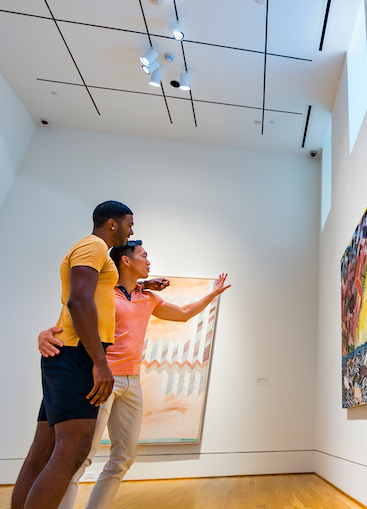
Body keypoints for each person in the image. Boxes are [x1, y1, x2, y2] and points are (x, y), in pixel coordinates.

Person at [38, 240, 230, 509]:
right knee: (81, 456)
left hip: (132, 382)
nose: (148, 261)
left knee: (124, 457)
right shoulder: (104, 293)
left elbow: (183, 314)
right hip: (103, 380)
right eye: (144, 255)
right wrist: (45, 333)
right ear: (126, 261)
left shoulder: (149, 298)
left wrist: (213, 294)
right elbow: (74, 317)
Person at [12, 201, 134, 509]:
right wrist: (100, 362)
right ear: (112, 224)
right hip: (76, 356)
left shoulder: (95, 251)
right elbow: (79, 301)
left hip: (69, 355)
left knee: (42, 454)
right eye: (129, 224)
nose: (131, 231)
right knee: (72, 451)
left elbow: (92, 294)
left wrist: (144, 284)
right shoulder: (93, 246)